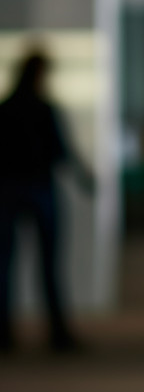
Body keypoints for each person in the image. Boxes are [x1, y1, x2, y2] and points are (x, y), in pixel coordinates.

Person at [0, 50, 93, 352]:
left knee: (5, 265)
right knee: (49, 265)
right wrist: (84, 177)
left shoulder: (6, 109)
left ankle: (5, 334)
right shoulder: (43, 109)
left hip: (10, 189)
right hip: (38, 188)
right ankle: (57, 334)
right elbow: (61, 150)